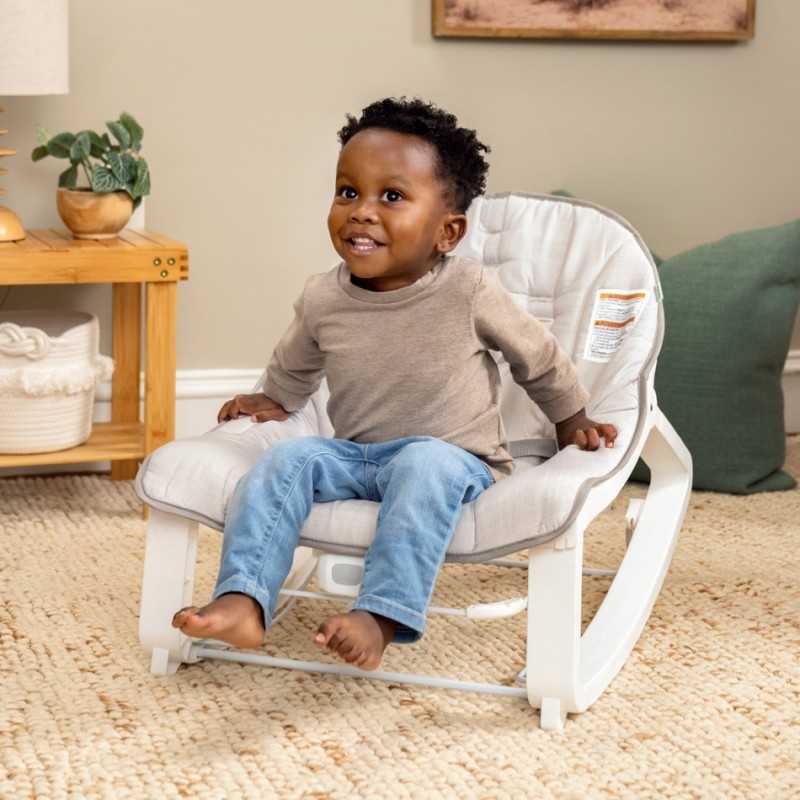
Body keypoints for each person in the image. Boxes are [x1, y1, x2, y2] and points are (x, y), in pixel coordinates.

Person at [172, 96, 618, 671]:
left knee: (421, 463)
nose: (360, 212)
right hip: (357, 457)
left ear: (447, 232)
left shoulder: (467, 290)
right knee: (287, 461)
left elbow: (537, 355)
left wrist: (571, 417)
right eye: (347, 192)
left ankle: (381, 614)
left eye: (391, 197)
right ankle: (243, 598)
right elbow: (296, 361)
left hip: (454, 460)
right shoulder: (323, 296)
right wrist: (275, 398)